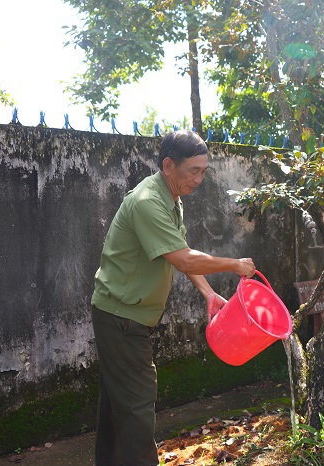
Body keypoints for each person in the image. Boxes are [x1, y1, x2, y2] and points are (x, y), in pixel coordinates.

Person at [90, 130, 256, 466]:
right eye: (193, 170)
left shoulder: (170, 198)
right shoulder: (148, 202)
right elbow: (184, 258)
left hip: (124, 316)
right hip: (122, 319)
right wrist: (236, 265)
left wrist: (209, 293)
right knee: (137, 409)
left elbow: (176, 253)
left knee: (116, 407)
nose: (199, 178)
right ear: (168, 165)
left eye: (204, 171)